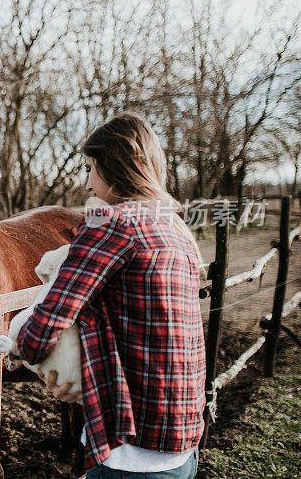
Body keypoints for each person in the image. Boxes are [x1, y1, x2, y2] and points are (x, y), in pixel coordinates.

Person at [16, 112, 205, 478]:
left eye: (90, 168)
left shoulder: (110, 222)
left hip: (125, 452)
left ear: (114, 167)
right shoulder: (176, 230)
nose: (87, 184)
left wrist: (53, 365)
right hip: (181, 446)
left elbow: (39, 334)